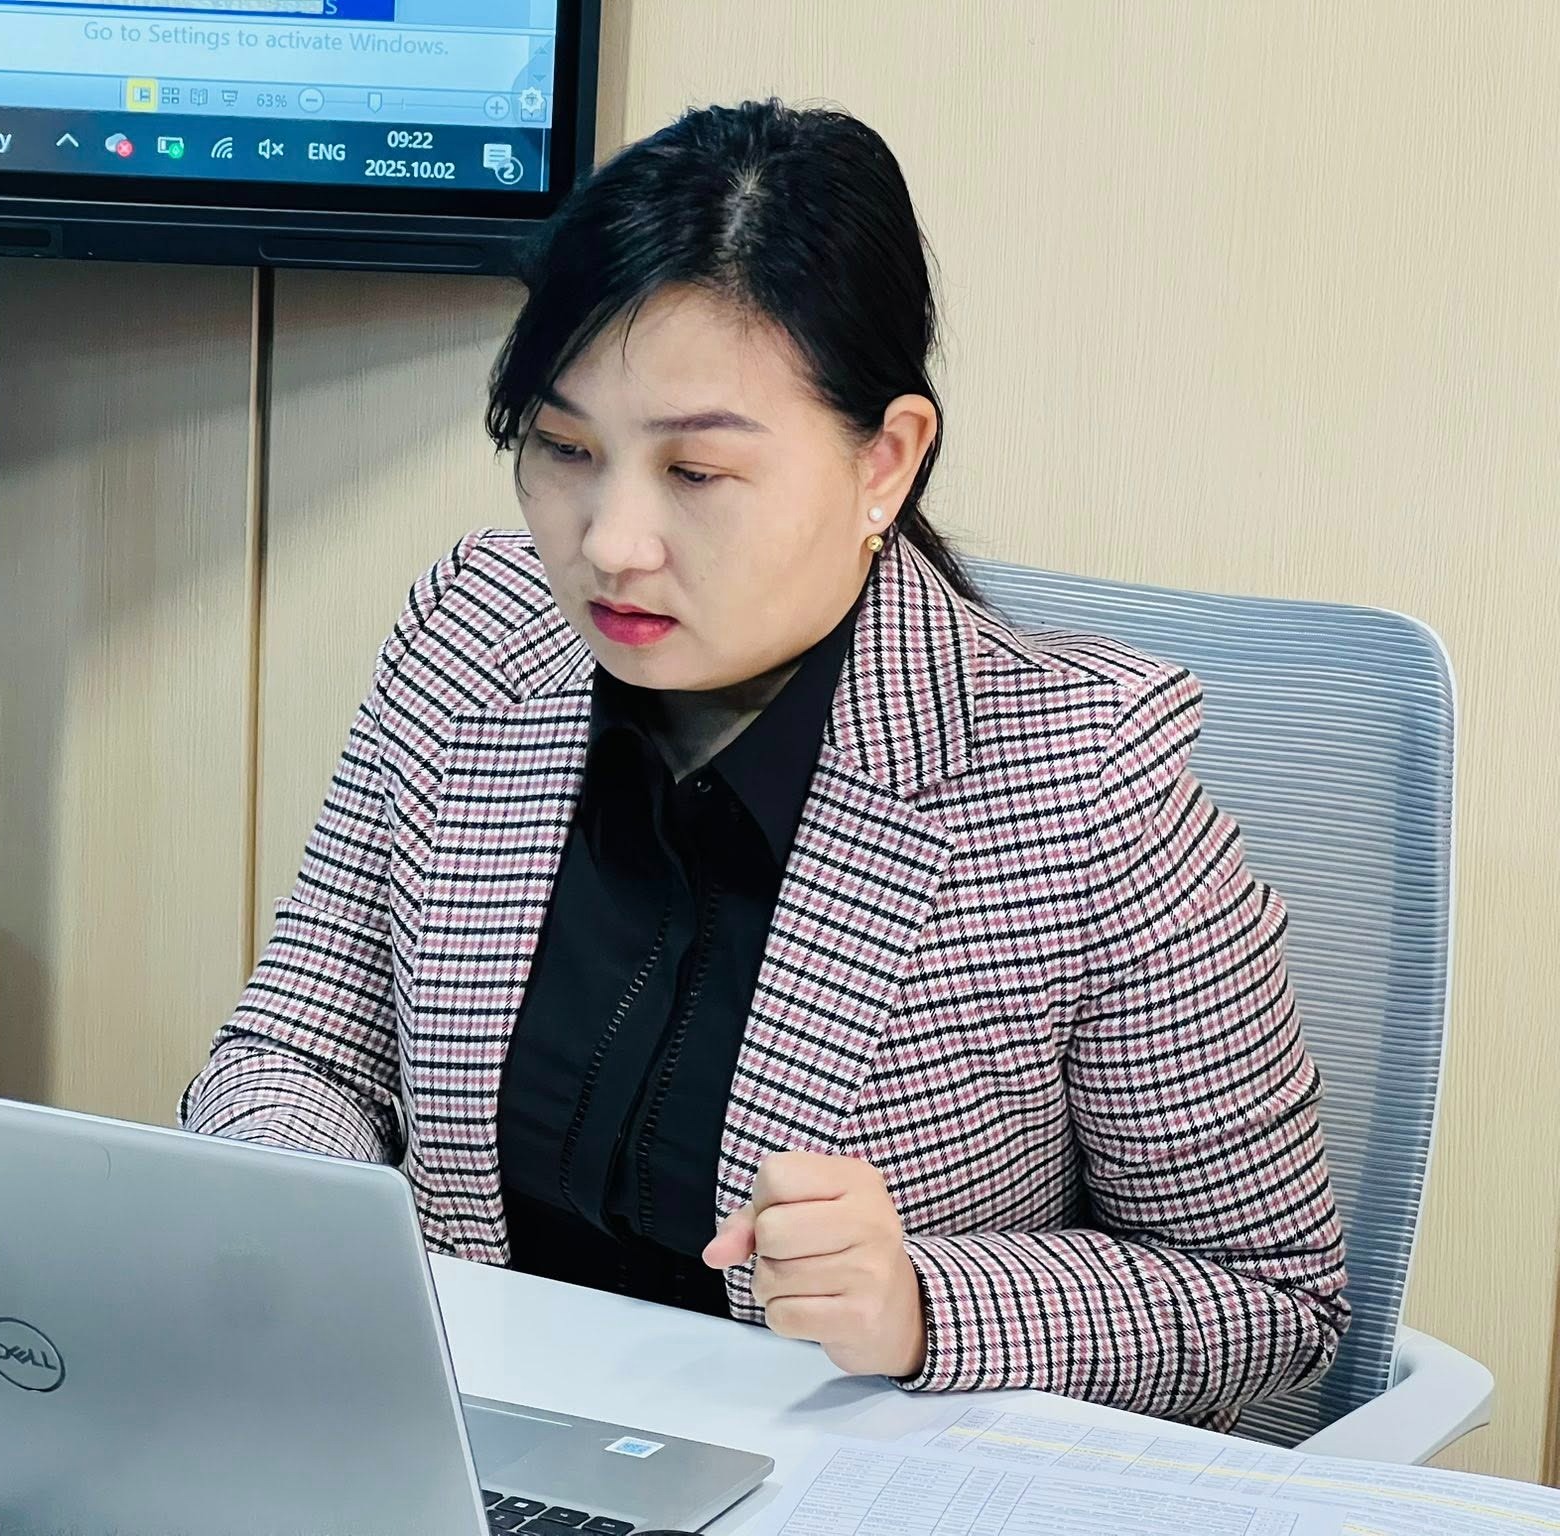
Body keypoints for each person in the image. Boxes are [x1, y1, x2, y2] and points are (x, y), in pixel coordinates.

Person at [182, 100, 1347, 1429]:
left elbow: (1273, 1299)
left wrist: (923, 1303)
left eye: (697, 472)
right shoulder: (472, 639)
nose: (610, 543)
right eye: (564, 450)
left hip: (849, 1482)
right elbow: (297, 1053)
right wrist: (303, 1218)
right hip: (468, 1444)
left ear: (885, 460)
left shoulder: (1082, 784)